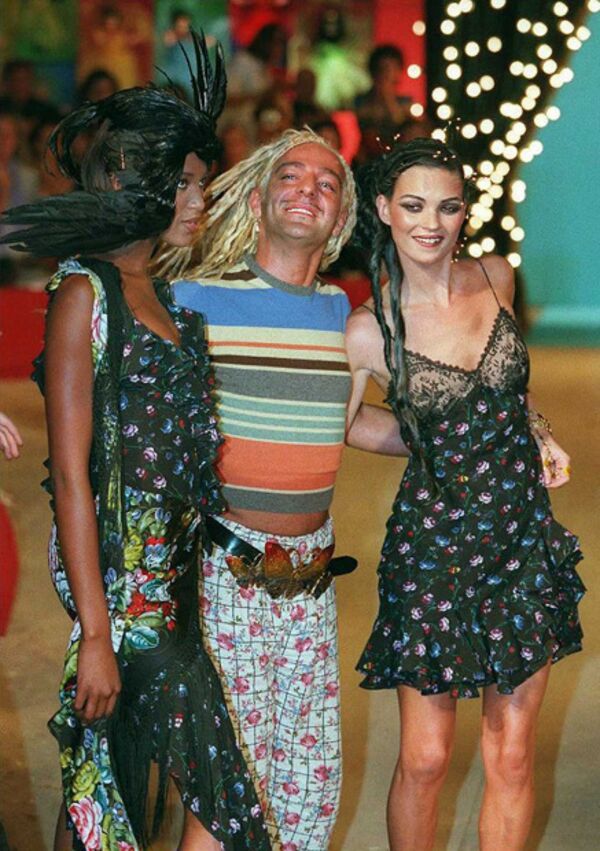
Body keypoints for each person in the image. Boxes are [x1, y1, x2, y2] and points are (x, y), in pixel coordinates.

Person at [1, 33, 270, 851]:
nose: (199, 200)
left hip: (172, 584)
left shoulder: (162, 290)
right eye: (185, 184)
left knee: (105, 791)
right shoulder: (86, 292)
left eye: (202, 184)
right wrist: (95, 633)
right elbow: (72, 476)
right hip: (124, 595)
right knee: (221, 801)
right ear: (127, 181)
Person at [159, 127, 404, 849]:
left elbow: (353, 423)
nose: (308, 190)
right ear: (258, 200)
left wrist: (466, 437)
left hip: (310, 579)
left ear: (341, 218)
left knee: (306, 785)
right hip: (222, 569)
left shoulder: (342, 317)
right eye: (291, 176)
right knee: (226, 785)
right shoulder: (194, 299)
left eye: (328, 184)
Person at [346, 137, 585, 851]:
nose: (432, 223)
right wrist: (433, 439)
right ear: (384, 208)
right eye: (414, 205)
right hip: (432, 547)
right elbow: (345, 424)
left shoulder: (496, 274)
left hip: (521, 537)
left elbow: (510, 387)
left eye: (448, 207)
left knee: (510, 754)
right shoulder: (368, 329)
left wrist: (537, 430)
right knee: (425, 758)